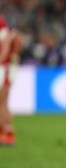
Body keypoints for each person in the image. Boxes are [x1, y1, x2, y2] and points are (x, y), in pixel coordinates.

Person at [0, 16, 23, 146]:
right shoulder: (8, 30)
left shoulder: (2, 29)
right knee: (2, 102)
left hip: (3, 70)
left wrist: (6, 59)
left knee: (1, 102)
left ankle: (8, 133)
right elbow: (19, 40)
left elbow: (5, 45)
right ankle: (4, 132)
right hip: (6, 68)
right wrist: (15, 55)